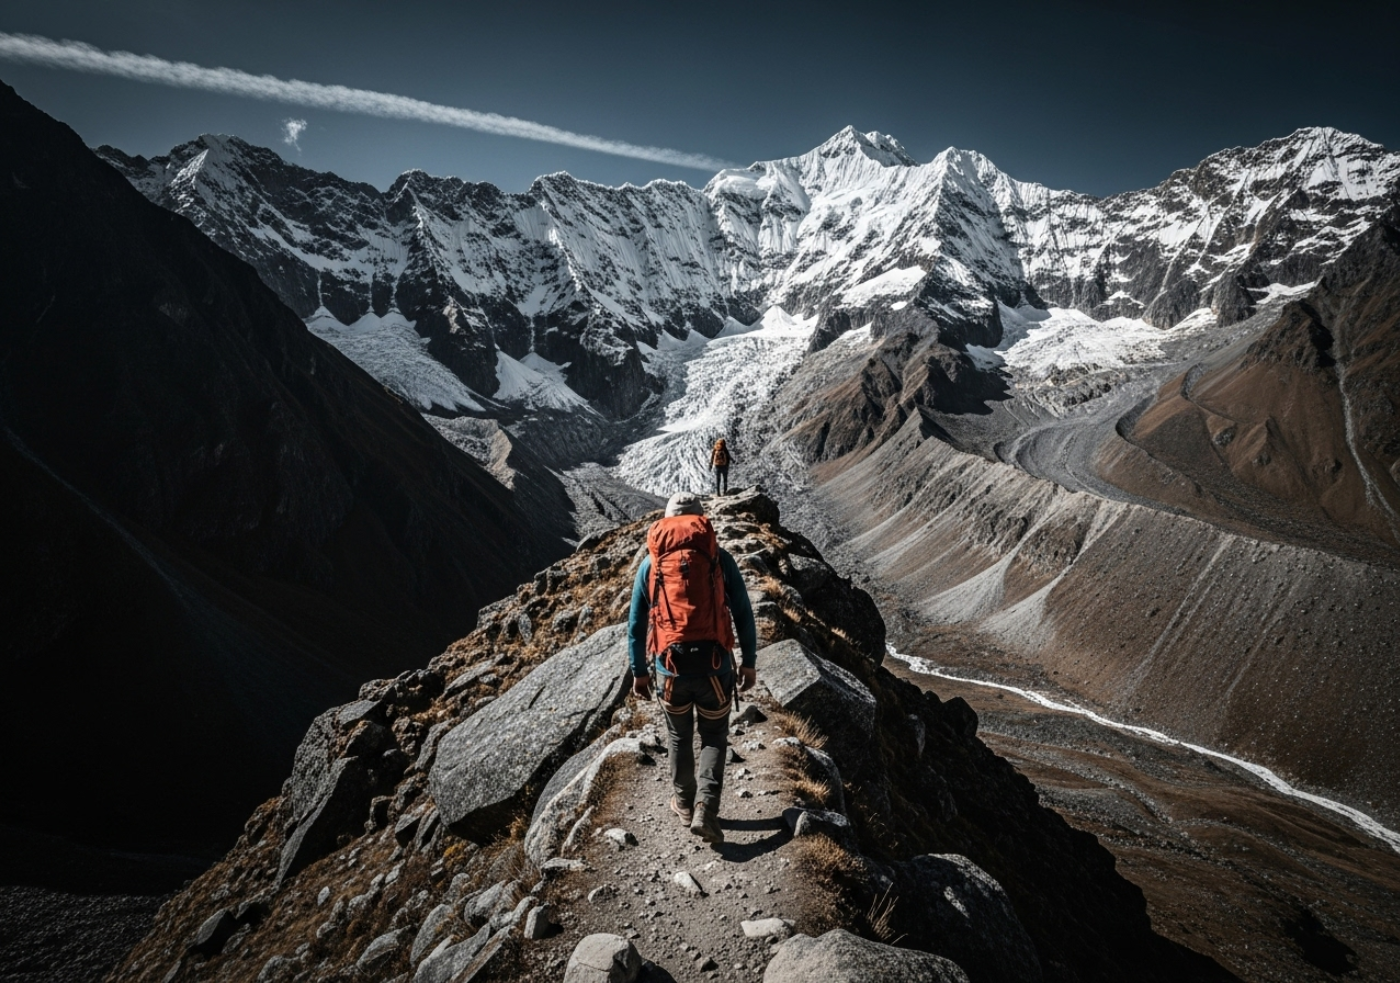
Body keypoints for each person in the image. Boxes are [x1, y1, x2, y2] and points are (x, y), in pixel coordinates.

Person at [627, 492, 757, 844]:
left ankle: (684, 804)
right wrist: (749, 663)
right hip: (715, 666)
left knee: (678, 736)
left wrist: (639, 671)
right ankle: (706, 809)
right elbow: (743, 613)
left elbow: (637, 625)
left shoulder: (650, 565)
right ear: (701, 522)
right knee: (714, 736)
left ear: (667, 522)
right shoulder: (719, 559)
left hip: (671, 670)